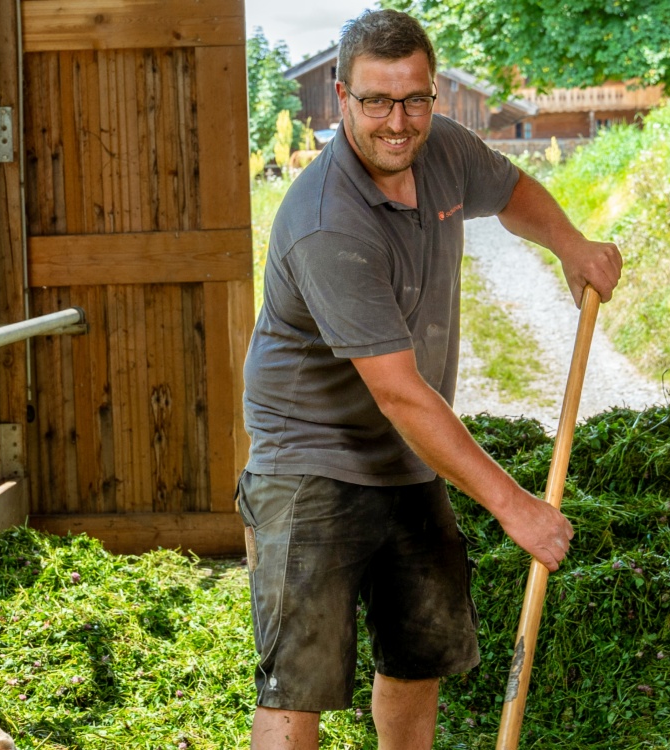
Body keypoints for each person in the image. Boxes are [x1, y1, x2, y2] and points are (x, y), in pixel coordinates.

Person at [238, 9, 623, 750]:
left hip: (408, 453)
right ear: (342, 97)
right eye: (377, 101)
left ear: (433, 92)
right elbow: (399, 392)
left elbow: (511, 190)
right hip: (309, 462)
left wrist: (570, 245)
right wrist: (514, 506)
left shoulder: (441, 148)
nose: (398, 121)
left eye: (414, 99)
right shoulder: (327, 222)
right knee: (299, 682)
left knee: (419, 656)